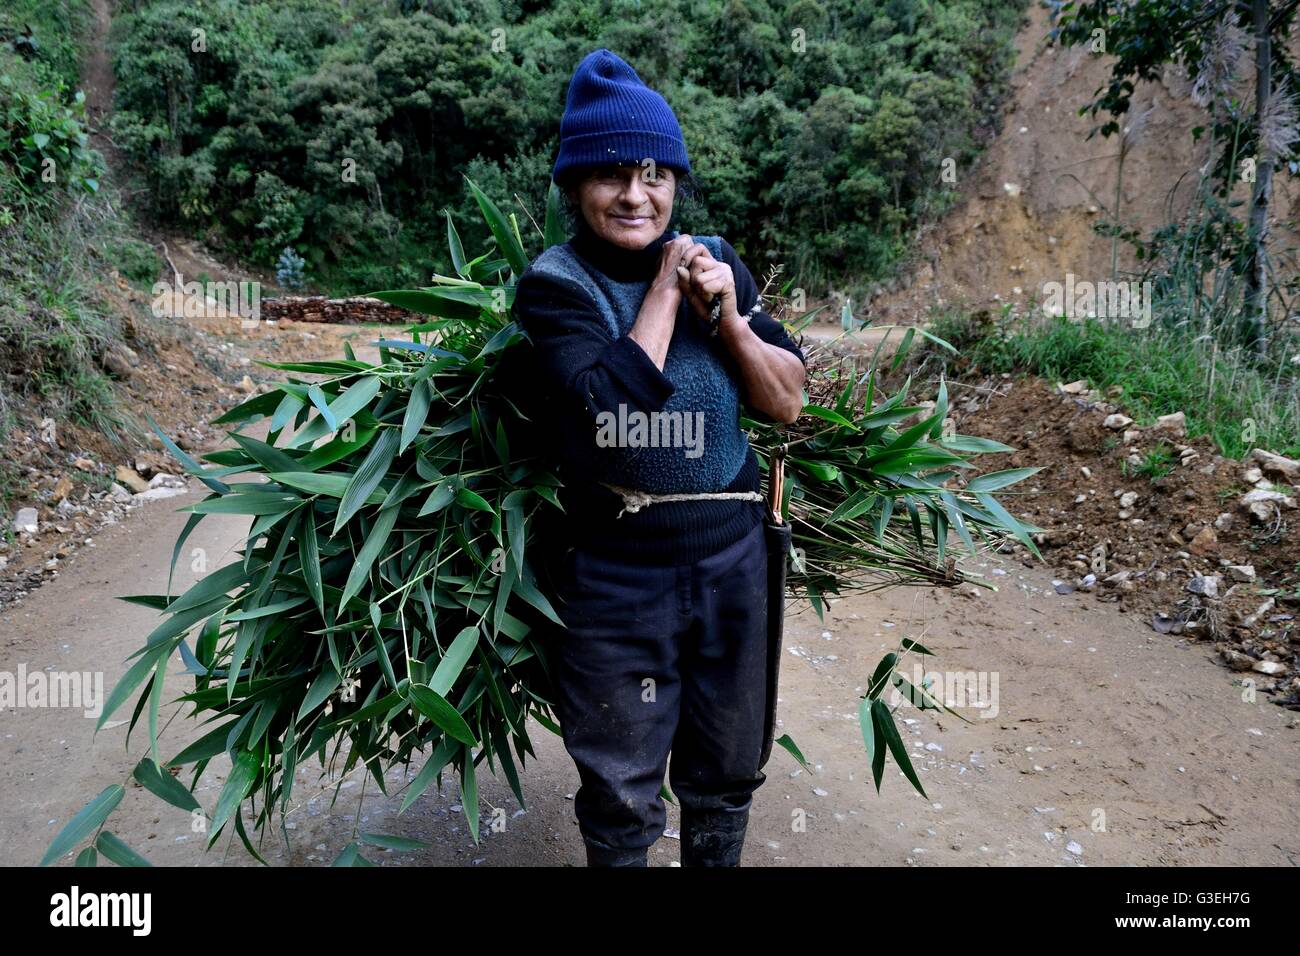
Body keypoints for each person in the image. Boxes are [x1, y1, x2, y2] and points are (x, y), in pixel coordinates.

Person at [511, 48, 807, 867]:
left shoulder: (716, 261)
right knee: (619, 781)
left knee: (726, 765)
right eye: (609, 175)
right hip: (615, 574)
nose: (635, 195)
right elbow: (604, 414)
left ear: (674, 180)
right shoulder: (556, 286)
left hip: (735, 558)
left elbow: (787, 402)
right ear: (575, 188)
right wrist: (666, 294)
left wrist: (731, 320)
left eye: (653, 173)